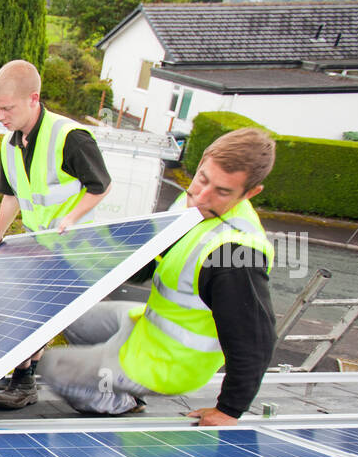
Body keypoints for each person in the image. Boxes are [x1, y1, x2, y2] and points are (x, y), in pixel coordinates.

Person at [36, 127, 278, 426]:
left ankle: (121, 401)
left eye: (223, 191)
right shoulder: (191, 205)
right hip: (148, 325)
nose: (202, 196)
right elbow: (151, 262)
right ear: (200, 164)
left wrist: (229, 410)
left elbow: (255, 340)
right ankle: (105, 368)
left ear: (250, 193)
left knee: (52, 366)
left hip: (169, 364)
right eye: (202, 179)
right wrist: (77, 258)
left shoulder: (235, 254)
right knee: (66, 313)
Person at [0, 60, 112, 410]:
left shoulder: (70, 138)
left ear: (33, 99)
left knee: (33, 312)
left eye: (6, 108)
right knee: (22, 309)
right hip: (34, 242)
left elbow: (100, 186)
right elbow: (12, 195)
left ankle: (24, 382)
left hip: (74, 245)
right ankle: (23, 375)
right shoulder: (10, 146)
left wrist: (70, 218)